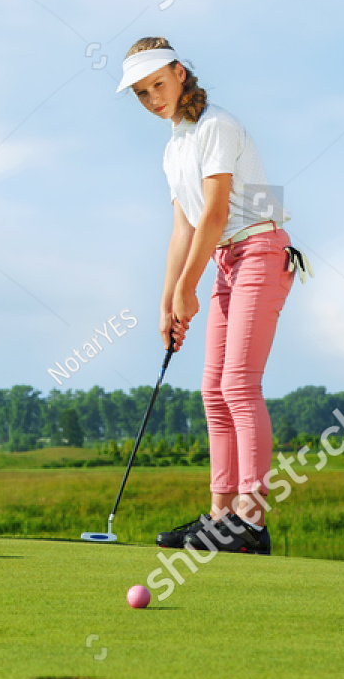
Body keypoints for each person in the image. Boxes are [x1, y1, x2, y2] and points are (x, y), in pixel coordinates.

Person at [118, 38, 312, 556]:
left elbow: (217, 213)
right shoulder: (174, 147)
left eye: (158, 84)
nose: (152, 98)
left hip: (260, 250)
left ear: (180, 73)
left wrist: (188, 287)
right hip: (227, 259)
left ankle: (251, 520)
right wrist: (167, 298)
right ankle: (220, 516)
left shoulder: (217, 128)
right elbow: (183, 227)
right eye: (141, 93)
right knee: (211, 390)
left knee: (239, 385)